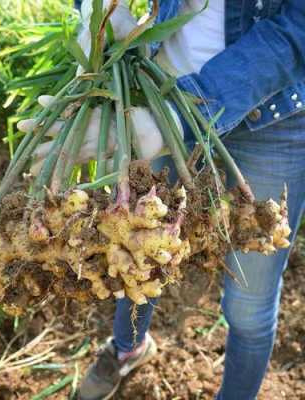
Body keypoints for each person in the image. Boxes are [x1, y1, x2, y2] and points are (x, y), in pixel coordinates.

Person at [25, 1, 305, 399]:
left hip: (273, 115)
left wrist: (176, 116)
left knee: (249, 304)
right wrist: (95, 10)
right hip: (163, 86)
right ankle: (128, 348)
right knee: (138, 251)